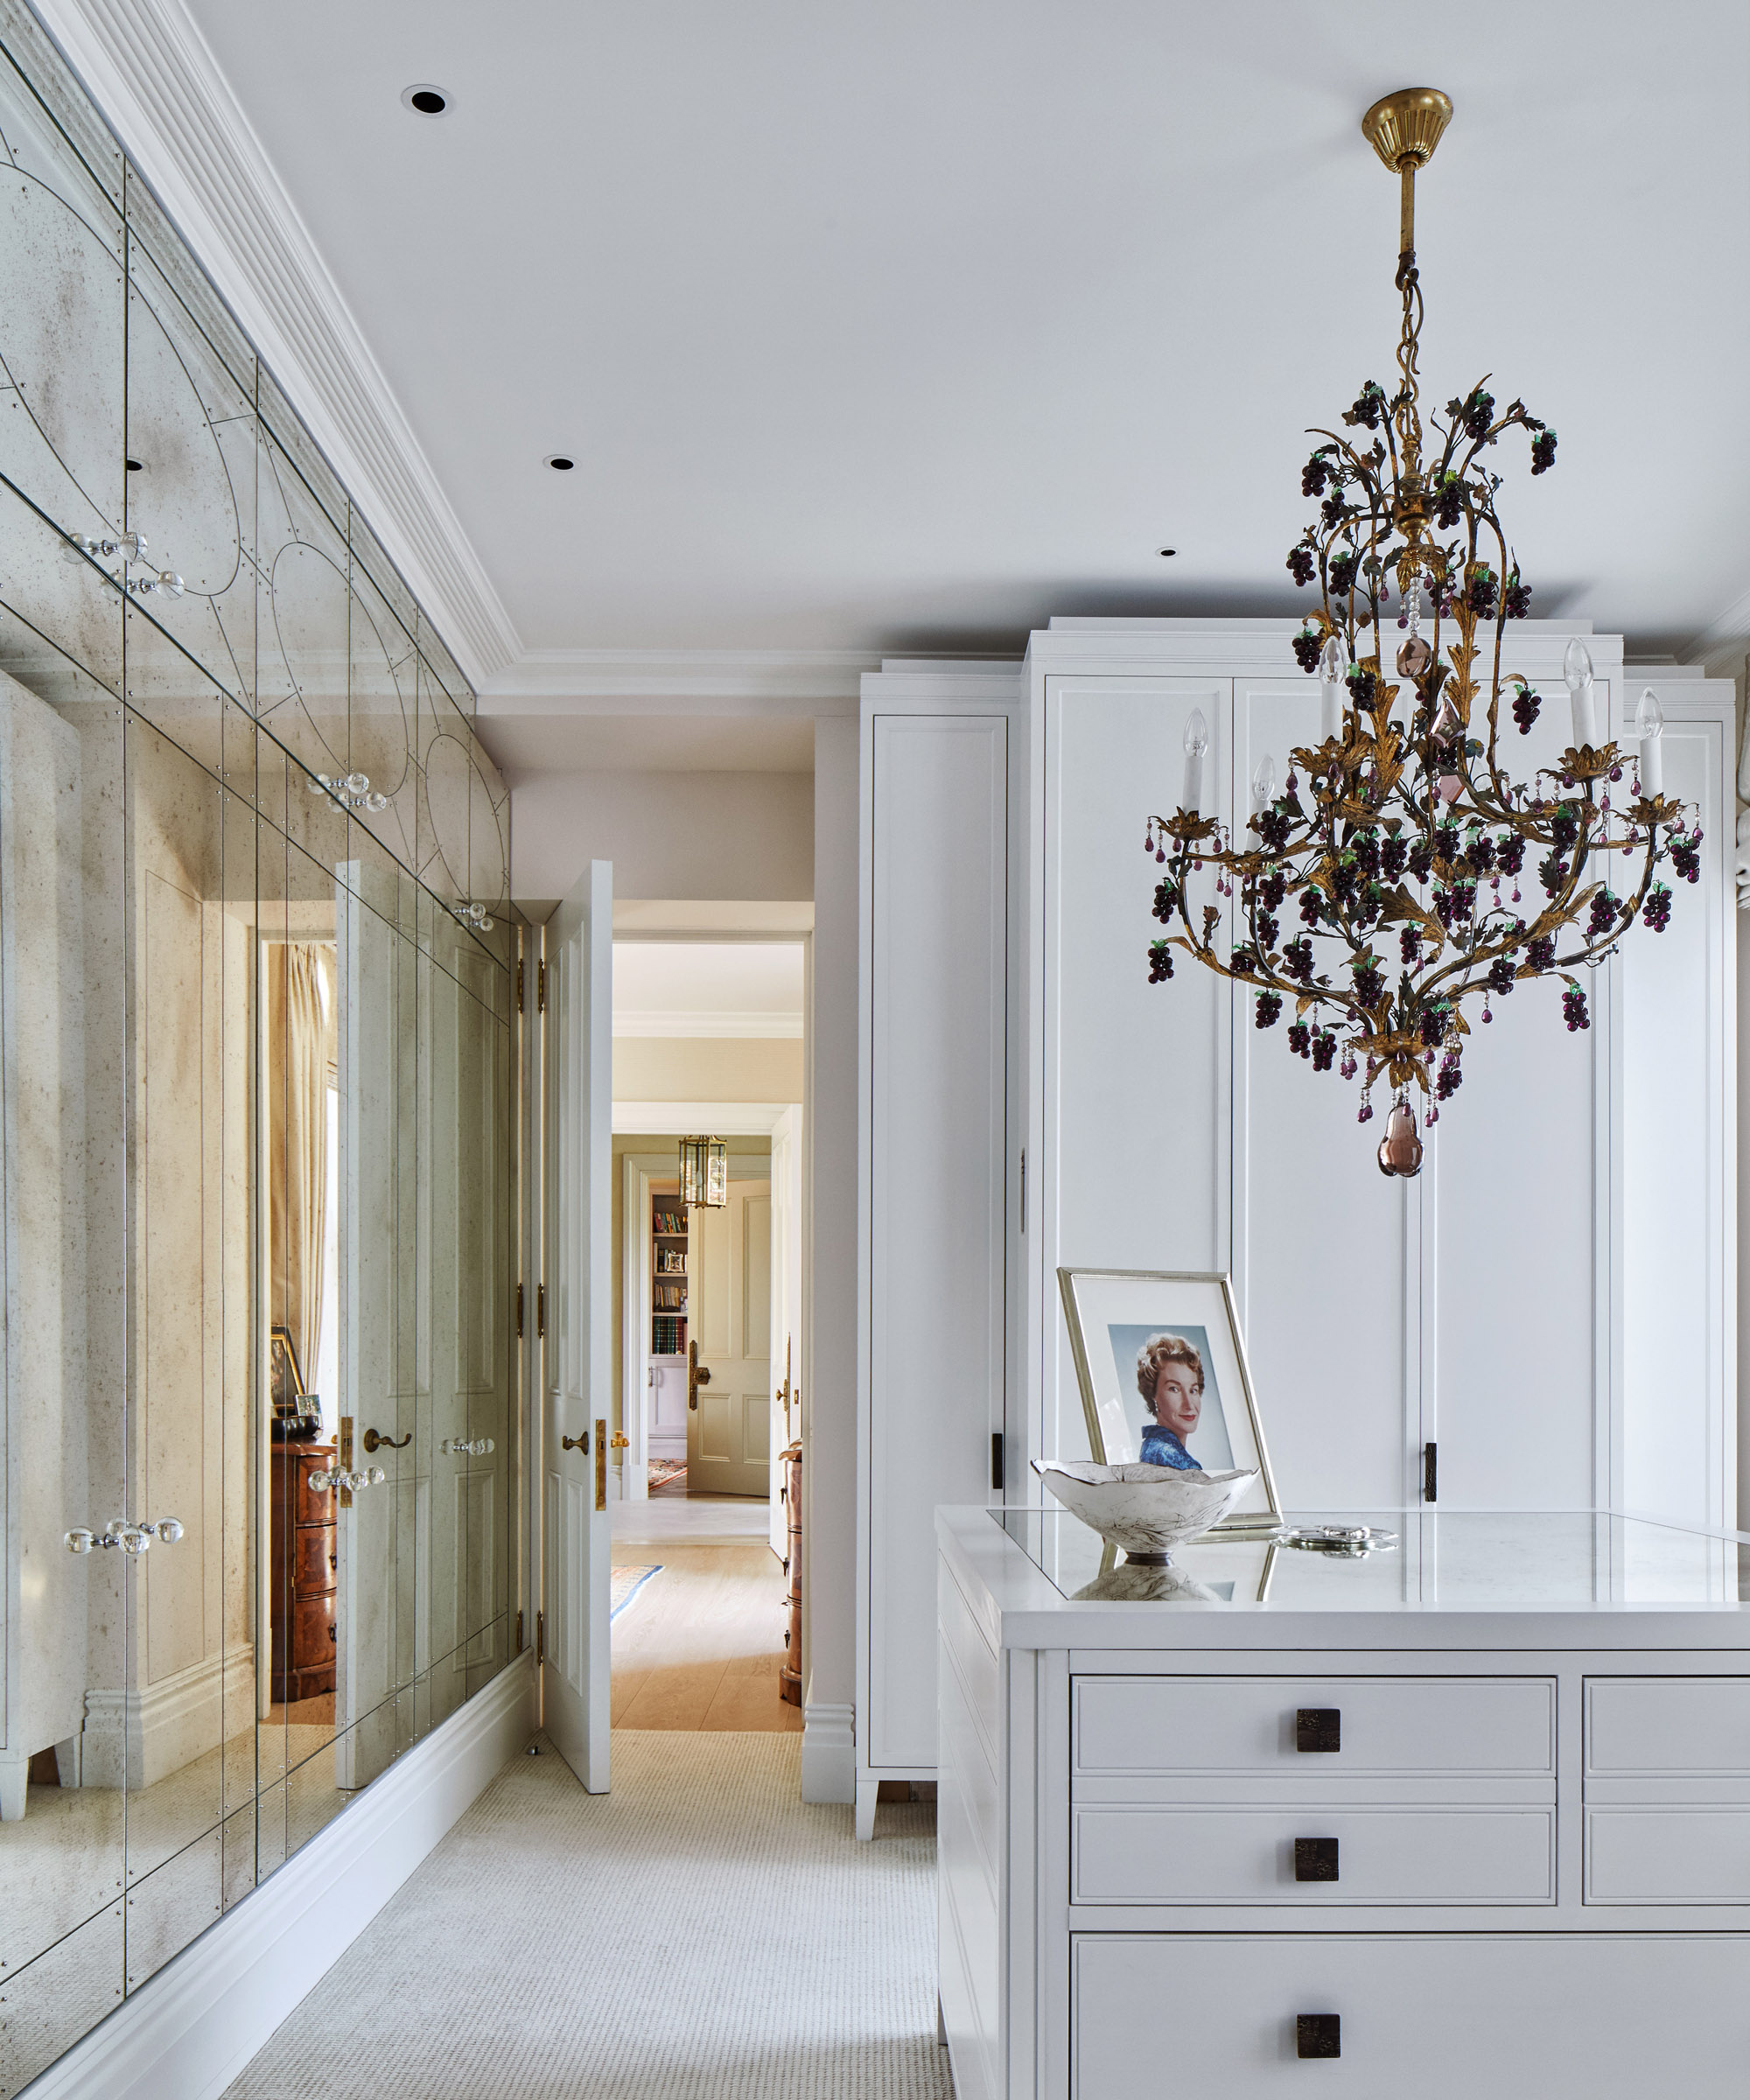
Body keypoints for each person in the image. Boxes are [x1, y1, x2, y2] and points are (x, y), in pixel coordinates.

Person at [1135, 1333, 1204, 1470]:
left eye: (1193, 1390)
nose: (1189, 1404)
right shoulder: (1174, 1460)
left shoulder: (1151, 1446)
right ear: (1153, 1393)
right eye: (1174, 1389)